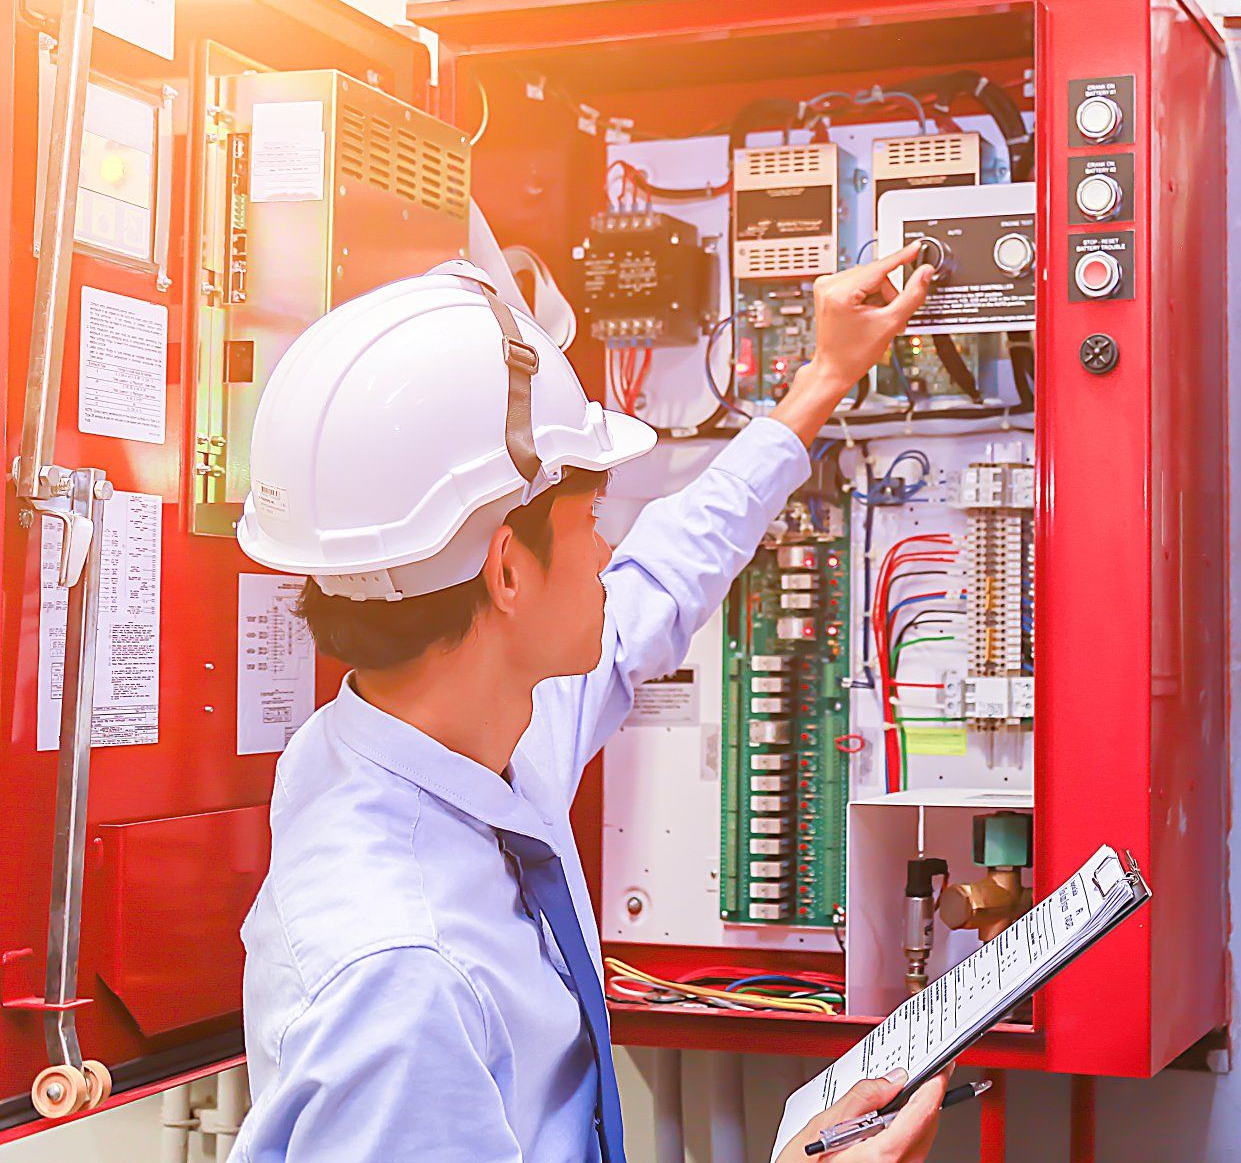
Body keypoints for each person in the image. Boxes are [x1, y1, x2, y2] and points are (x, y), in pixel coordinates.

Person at [228, 245, 944, 1163]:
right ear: (509, 570)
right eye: (593, 518)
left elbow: (661, 581)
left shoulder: (437, 742)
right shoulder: (404, 979)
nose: (610, 549)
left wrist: (821, 381)